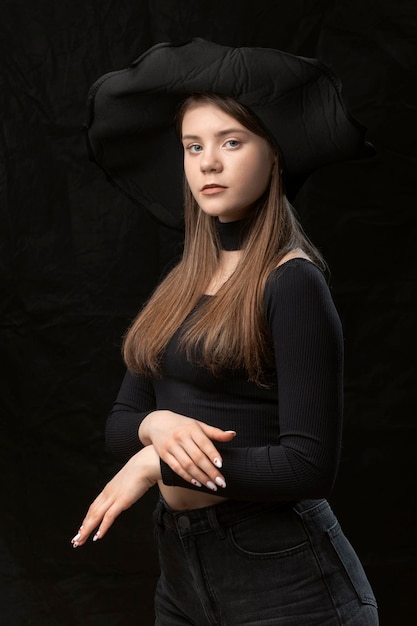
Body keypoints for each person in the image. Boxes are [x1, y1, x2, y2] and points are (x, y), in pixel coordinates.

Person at [72, 39, 379, 625]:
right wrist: (155, 424)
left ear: (274, 156)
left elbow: (309, 467)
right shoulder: (183, 282)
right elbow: (120, 424)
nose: (208, 163)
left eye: (231, 142)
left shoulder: (292, 282)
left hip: (286, 581)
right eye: (193, 146)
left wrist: (153, 462)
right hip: (185, 575)